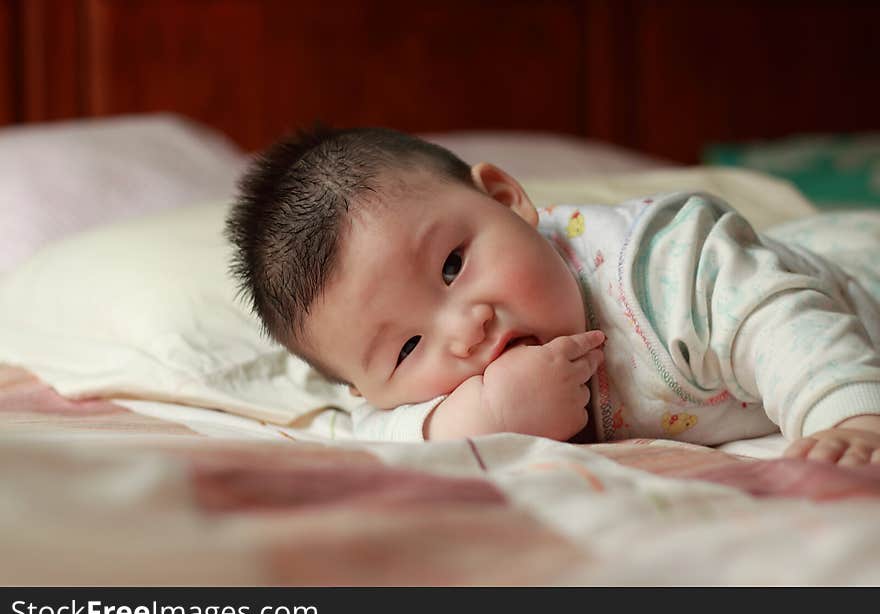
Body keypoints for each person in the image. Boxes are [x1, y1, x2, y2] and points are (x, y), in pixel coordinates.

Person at [225, 126, 880, 467]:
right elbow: (383, 439)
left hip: (853, 282)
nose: (465, 330)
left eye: (453, 265)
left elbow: (773, 317)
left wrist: (846, 415)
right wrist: (491, 409)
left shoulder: (658, 270)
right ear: (368, 388)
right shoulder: (399, 404)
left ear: (506, 201)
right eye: (407, 346)